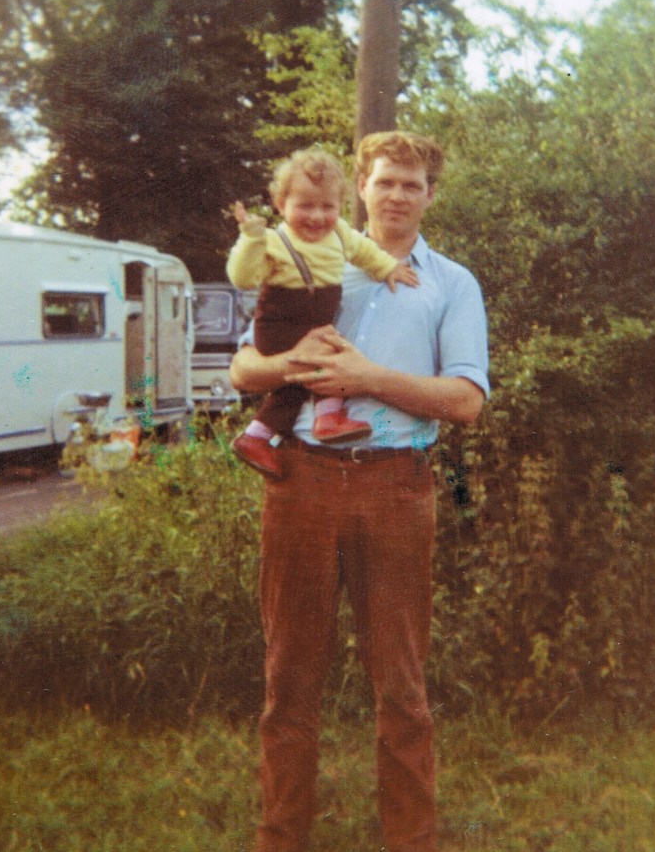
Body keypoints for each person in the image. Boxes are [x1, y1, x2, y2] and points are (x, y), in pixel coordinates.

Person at [230, 131, 490, 852]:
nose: (397, 195)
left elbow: (465, 399)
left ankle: (411, 838)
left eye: (412, 184)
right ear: (361, 187)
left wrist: (365, 379)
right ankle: (280, 835)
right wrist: (289, 364)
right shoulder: (305, 253)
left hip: (395, 487)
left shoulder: (452, 285)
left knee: (401, 683)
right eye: (385, 182)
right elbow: (244, 372)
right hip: (300, 478)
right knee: (289, 676)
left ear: (430, 195)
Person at [227, 148, 419, 480]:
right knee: (330, 356)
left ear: (340, 206)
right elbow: (242, 278)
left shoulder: (340, 233)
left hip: (315, 320)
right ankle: (328, 417)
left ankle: (258, 436)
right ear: (280, 204)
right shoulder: (273, 241)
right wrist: (251, 238)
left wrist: (388, 268)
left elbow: (364, 251)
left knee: (295, 385)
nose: (317, 217)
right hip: (280, 321)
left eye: (327, 206)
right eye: (305, 205)